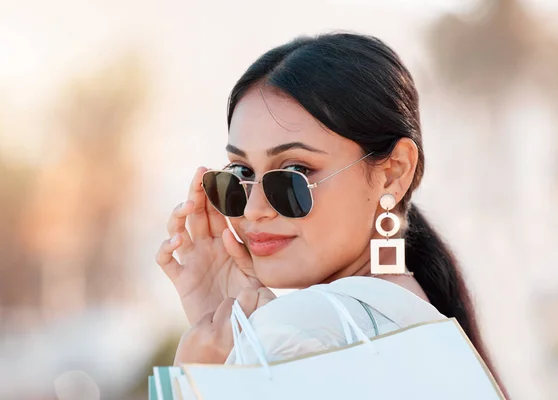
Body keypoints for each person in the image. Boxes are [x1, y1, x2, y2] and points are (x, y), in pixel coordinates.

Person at [156, 32, 508, 397]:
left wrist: (199, 377)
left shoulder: (297, 334)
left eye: (295, 171)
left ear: (393, 172)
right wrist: (227, 323)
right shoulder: (428, 328)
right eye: (241, 173)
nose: (255, 208)